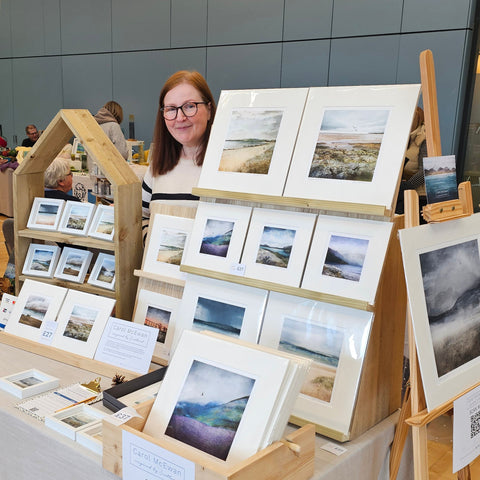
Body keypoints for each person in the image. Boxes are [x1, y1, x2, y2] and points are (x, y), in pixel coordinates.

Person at [142, 70, 216, 239]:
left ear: (209, 110)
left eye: (189, 106)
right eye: (171, 109)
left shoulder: (227, 167)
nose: (180, 117)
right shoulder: (157, 167)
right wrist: (153, 246)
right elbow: (142, 217)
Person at [395, 106, 427, 217]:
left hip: (419, 195)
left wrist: (408, 185)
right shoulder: (401, 136)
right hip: (402, 191)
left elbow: (426, 170)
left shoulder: (424, 139)